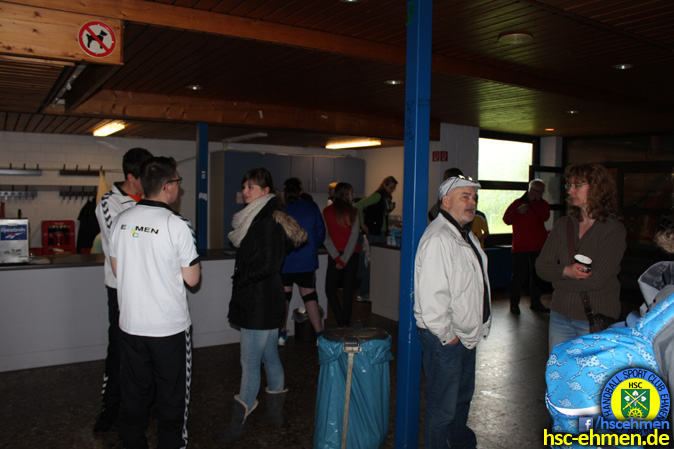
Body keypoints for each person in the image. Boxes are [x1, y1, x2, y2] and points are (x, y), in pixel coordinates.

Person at [108, 156, 201, 449]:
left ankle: (133, 443)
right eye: (177, 181)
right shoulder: (177, 225)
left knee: (134, 393)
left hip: (131, 326)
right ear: (166, 186)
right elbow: (192, 279)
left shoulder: (121, 220)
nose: (178, 187)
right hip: (168, 329)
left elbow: (117, 269)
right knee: (172, 396)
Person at [215, 168, 307, 443]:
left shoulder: (266, 221)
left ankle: (239, 419)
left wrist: (242, 278)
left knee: (250, 361)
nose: (245, 191)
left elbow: (268, 264)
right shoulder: (262, 216)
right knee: (269, 356)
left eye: (251, 187)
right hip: (266, 298)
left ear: (265, 191)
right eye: (244, 186)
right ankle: (275, 413)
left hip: (259, 300)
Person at [414, 175, 492, 449]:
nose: (472, 202)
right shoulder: (439, 238)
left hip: (464, 336)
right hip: (446, 339)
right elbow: (432, 298)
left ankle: (461, 444)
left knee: (460, 402)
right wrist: (449, 337)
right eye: (465, 197)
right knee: (442, 410)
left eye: (474, 197)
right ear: (446, 202)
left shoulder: (463, 234)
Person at [93, 147, 153, 432]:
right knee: (119, 349)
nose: (150, 181)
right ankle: (110, 409)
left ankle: (147, 403)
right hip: (121, 289)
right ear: (131, 177)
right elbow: (125, 241)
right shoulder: (109, 203)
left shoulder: (150, 199)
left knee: (147, 348)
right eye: (145, 176)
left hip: (149, 288)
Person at [536, 163, 626, 352]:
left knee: (589, 371)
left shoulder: (613, 230)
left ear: (597, 188)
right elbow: (541, 266)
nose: (570, 191)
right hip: (560, 315)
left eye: (577, 185)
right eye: (569, 185)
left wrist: (557, 281)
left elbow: (596, 281)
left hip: (595, 318)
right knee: (559, 369)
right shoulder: (563, 225)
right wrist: (566, 271)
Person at [278, 177, 326, 346]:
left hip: (285, 261)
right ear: (301, 191)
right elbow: (320, 232)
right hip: (306, 260)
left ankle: (282, 335)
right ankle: (319, 335)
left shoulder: (280, 208)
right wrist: (312, 245)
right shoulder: (311, 206)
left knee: (284, 297)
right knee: (310, 296)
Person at [503, 179, 551, 314]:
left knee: (537, 276)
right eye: (538, 192)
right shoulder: (517, 203)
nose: (540, 195)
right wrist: (518, 212)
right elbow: (506, 220)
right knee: (517, 276)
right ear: (531, 190)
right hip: (521, 246)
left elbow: (544, 217)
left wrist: (534, 203)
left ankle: (535, 303)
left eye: (542, 192)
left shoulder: (543, 204)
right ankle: (514, 304)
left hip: (537, 246)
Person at [323, 182, 361, 328]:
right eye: (351, 193)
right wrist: (344, 259)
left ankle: (341, 322)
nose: (353, 195)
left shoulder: (326, 212)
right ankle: (345, 324)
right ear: (346, 194)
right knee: (348, 291)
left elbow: (325, 237)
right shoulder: (354, 212)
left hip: (335, 256)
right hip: (352, 255)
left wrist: (338, 258)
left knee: (330, 290)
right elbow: (354, 237)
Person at [355, 175, 398, 300]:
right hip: (375, 234)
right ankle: (363, 292)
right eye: (391, 188)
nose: (392, 190)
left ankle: (370, 292)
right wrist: (362, 223)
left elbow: (380, 217)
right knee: (374, 264)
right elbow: (359, 205)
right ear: (384, 185)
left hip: (380, 233)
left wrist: (393, 222)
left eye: (394, 188)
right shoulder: (378, 196)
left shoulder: (384, 197)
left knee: (376, 264)